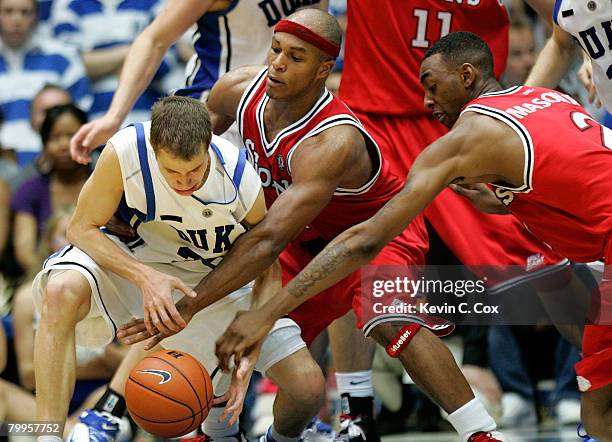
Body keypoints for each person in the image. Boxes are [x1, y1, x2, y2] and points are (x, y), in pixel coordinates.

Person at [118, 10, 505, 442]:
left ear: (324, 69)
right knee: (235, 325)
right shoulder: (234, 91)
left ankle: (480, 434)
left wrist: (190, 306)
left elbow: (266, 240)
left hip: (377, 235)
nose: (279, 63)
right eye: (276, 49)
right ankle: (236, 435)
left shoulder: (332, 141)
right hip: (302, 242)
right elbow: (185, 156)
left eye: (296, 56)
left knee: (391, 320)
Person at [215, 31, 612, 442]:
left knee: (600, 415)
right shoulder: (551, 99)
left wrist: (268, 311)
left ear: (467, 75)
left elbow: (365, 240)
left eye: (433, 86)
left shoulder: (468, 137)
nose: (426, 101)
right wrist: (507, 200)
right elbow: (574, 178)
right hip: (603, 251)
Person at [32, 96, 326, 442]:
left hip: (210, 281)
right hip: (135, 262)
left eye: (195, 171)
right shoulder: (125, 151)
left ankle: (266, 437)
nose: (185, 182)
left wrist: (254, 340)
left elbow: (266, 265)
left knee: (308, 387)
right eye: (172, 172)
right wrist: (144, 276)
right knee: (60, 290)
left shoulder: (237, 176)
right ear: (155, 149)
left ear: (209, 147)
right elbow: (79, 228)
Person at [0, 0, 90, 165]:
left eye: (25, 12)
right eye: (8, 11)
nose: (16, 20)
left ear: (36, 16)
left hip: (55, 162)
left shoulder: (62, 57)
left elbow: (79, 115)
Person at [11, 104, 90, 273]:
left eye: (71, 136)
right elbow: (25, 251)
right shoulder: (30, 191)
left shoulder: (105, 182)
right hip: (45, 276)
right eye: (54, 137)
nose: (63, 145)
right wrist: (48, 278)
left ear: (89, 137)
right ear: (44, 144)